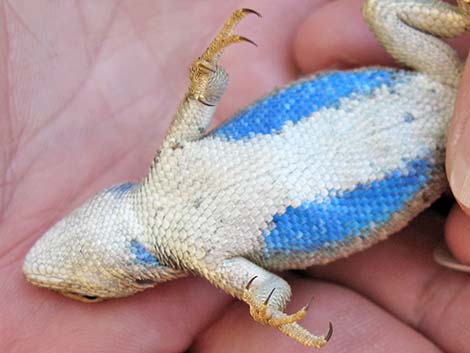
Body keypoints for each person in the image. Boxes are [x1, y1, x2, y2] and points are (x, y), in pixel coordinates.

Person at [1, 1, 468, 352]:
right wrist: (205, 65)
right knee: (384, 10)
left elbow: (273, 290)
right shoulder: (174, 158)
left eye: (87, 294)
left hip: (434, 153)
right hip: (434, 129)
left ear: (139, 279)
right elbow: (208, 91)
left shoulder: (210, 256)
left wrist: (266, 310)